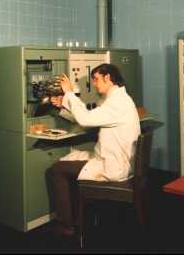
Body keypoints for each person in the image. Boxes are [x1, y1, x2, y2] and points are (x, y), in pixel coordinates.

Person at [50, 63, 140, 237]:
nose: (95, 84)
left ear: (108, 77)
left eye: (97, 79)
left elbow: (85, 119)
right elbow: (90, 120)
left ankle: (67, 225)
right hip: (118, 161)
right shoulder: (119, 99)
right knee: (70, 159)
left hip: (114, 168)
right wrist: (63, 106)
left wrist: (69, 93)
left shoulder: (116, 103)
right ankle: (77, 216)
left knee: (57, 169)